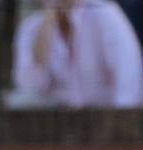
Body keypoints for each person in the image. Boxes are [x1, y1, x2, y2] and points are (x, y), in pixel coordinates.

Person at [9, 0, 143, 109]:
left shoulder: (105, 13)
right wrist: (47, 23)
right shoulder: (30, 28)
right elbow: (29, 88)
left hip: (106, 119)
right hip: (60, 124)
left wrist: (120, 123)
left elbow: (129, 80)